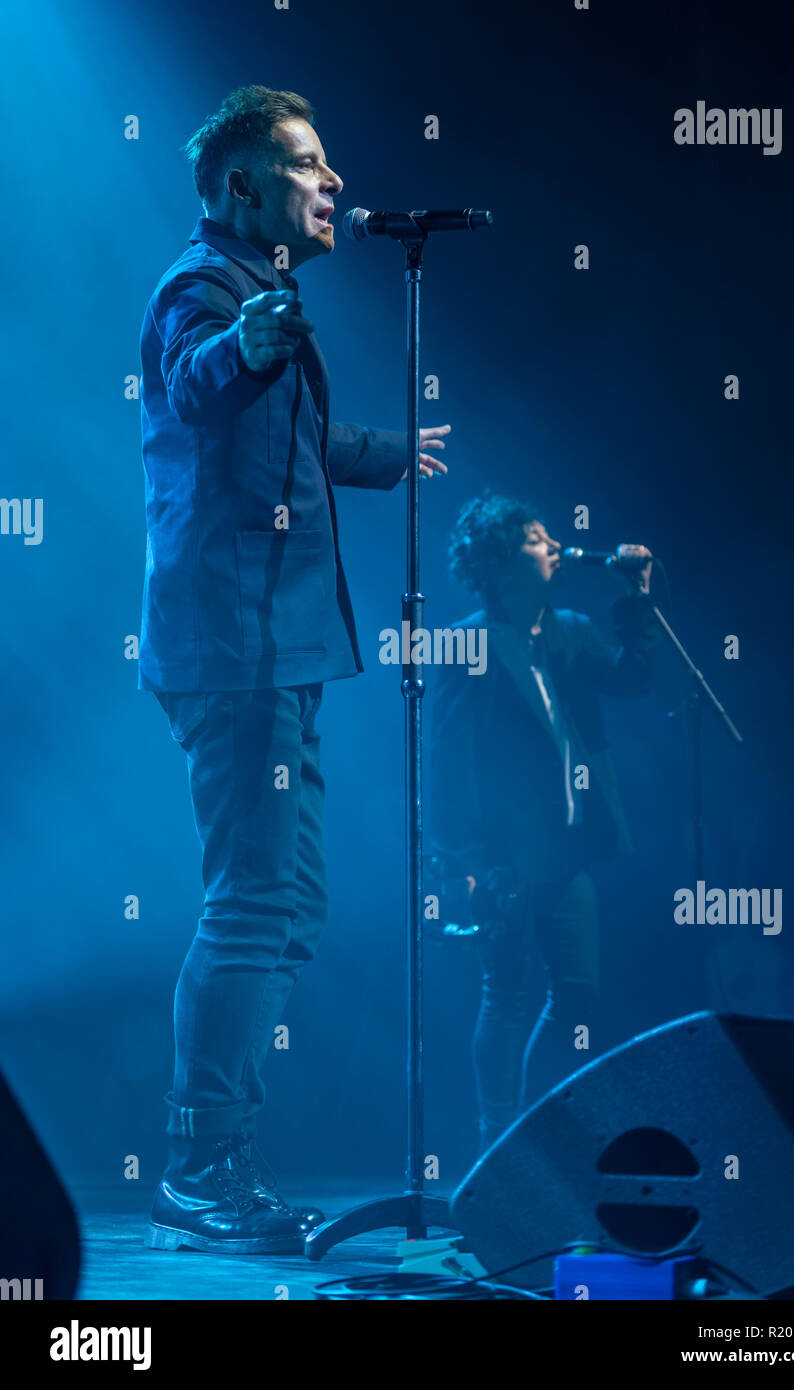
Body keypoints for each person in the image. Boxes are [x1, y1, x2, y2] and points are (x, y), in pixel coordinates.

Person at [138, 85, 450, 1254]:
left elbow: (295, 442)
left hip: (272, 650)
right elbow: (194, 380)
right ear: (240, 188)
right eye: (307, 164)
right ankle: (198, 1165)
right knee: (254, 902)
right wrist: (246, 342)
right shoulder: (208, 289)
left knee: (285, 902)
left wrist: (387, 454)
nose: (332, 185)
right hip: (238, 652)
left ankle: (212, 1156)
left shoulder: (258, 291)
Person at [429, 493, 656, 1155]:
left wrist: (638, 597)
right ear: (500, 561)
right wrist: (460, 861)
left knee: (576, 993)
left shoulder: (571, 631)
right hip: (503, 855)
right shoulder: (466, 643)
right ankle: (497, 1148)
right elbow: (448, 761)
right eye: (534, 537)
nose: (552, 544)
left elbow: (635, 680)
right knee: (505, 994)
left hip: (567, 847)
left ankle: (532, 1138)